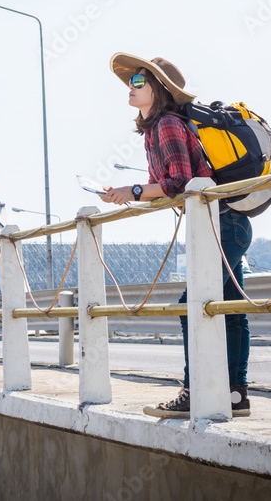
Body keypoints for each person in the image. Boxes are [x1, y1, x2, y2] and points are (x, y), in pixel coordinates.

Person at [100, 53, 253, 418]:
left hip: (223, 225)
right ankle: (235, 396)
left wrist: (135, 190)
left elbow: (178, 182)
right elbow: (176, 186)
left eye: (140, 82)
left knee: (192, 304)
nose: (131, 88)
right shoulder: (158, 128)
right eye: (131, 82)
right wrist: (130, 194)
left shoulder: (167, 124)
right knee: (229, 310)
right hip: (224, 224)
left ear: (161, 89)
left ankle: (194, 391)